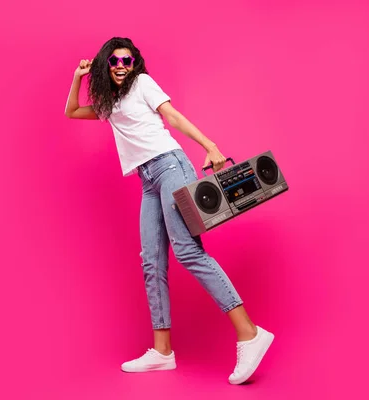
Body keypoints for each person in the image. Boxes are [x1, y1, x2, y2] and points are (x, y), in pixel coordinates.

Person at [64, 37, 274, 384]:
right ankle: (162, 352)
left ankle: (250, 333)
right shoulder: (109, 103)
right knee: (151, 260)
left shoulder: (143, 83)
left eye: (127, 61)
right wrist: (78, 77)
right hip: (148, 179)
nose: (120, 65)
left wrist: (210, 145)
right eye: (114, 60)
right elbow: (72, 111)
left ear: (135, 65)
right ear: (105, 63)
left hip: (170, 166)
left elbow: (172, 116)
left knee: (188, 252)